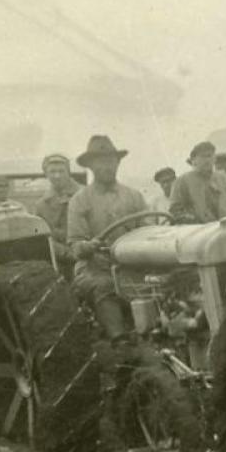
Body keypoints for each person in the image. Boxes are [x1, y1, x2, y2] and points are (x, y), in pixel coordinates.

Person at [65, 135, 152, 339]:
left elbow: (148, 231)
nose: (107, 166)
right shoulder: (80, 200)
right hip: (95, 269)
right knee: (106, 287)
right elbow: (75, 246)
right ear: (91, 166)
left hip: (132, 267)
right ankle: (119, 341)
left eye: (111, 161)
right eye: (101, 161)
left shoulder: (134, 196)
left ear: (118, 162)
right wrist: (89, 246)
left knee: (167, 282)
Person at [168, 142, 226, 224]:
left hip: (224, 227)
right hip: (199, 230)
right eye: (203, 156)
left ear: (214, 159)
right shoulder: (183, 181)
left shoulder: (221, 179)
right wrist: (192, 219)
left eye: (210, 156)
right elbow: (175, 210)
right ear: (194, 160)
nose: (207, 160)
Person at [34, 154, 82, 241]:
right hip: (56, 253)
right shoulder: (41, 205)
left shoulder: (83, 195)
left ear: (68, 172)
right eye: (52, 172)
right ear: (46, 174)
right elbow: (41, 236)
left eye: (61, 171)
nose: (57, 176)